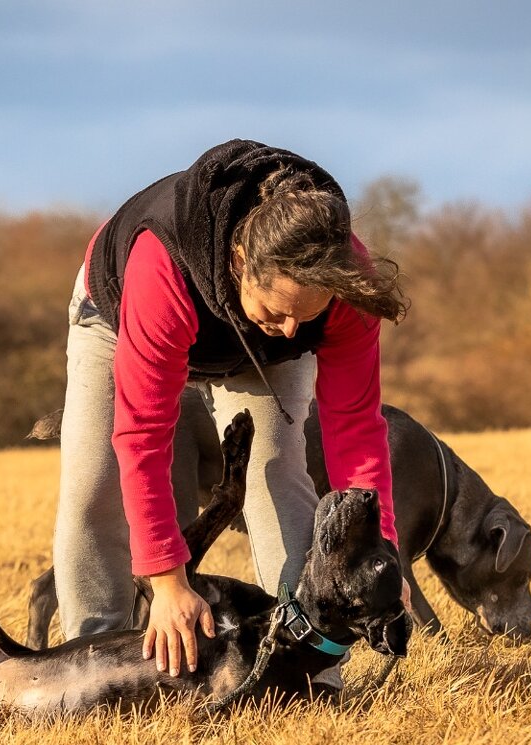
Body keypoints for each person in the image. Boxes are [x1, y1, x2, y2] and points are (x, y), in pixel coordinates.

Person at [52, 139, 407, 687]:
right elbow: (143, 434)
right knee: (94, 481)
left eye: (306, 315)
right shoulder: (161, 266)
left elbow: (356, 428)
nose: (294, 328)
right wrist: (167, 581)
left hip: (255, 355)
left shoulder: (346, 287)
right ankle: (87, 663)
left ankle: (309, 663)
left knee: (276, 474)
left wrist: (381, 548)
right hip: (117, 312)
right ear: (241, 263)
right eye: (280, 309)